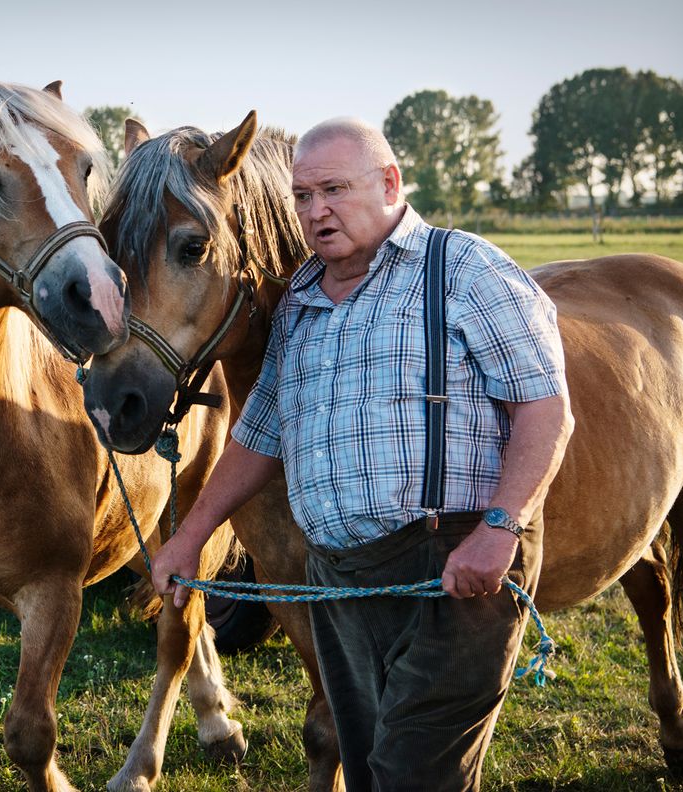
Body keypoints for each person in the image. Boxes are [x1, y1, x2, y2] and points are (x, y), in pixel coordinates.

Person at [151, 117, 574, 790]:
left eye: (334, 190)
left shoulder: (464, 270)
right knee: (372, 766)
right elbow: (258, 434)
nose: (315, 211)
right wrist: (188, 538)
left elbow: (546, 408)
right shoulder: (299, 303)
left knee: (413, 776)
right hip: (340, 584)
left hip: (447, 570)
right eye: (302, 196)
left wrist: (501, 526)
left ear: (388, 183)